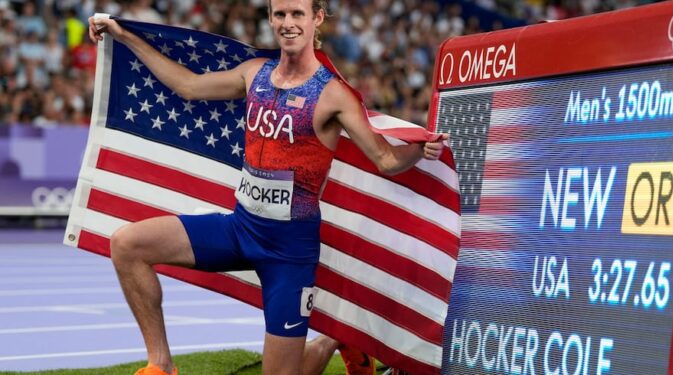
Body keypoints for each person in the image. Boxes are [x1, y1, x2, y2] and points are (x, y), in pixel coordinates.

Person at [88, 0, 447, 374]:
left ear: (316, 18)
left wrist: (419, 151)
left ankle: (332, 339)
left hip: (289, 253)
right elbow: (188, 85)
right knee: (127, 245)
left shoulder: (333, 95)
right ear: (271, 18)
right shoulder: (254, 73)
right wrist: (125, 35)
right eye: (280, 14)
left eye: (297, 14)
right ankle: (161, 365)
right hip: (240, 230)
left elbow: (386, 160)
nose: (288, 23)